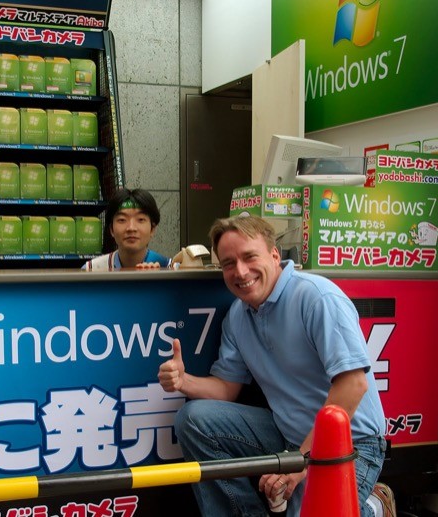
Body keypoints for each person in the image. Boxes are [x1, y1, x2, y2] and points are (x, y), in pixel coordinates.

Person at [158, 215, 389, 516]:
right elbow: (227, 388)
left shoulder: (317, 296)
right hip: (286, 434)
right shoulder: (238, 316)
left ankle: (373, 507)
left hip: (350, 442)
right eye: (228, 263)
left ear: (275, 255)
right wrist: (182, 380)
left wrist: (302, 461)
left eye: (249, 257)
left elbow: (353, 384)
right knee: (194, 419)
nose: (240, 271)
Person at [82, 187, 172, 271]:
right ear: (111, 229)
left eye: (140, 219)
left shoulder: (168, 267)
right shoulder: (92, 269)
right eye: (122, 220)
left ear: (152, 229)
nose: (131, 228)